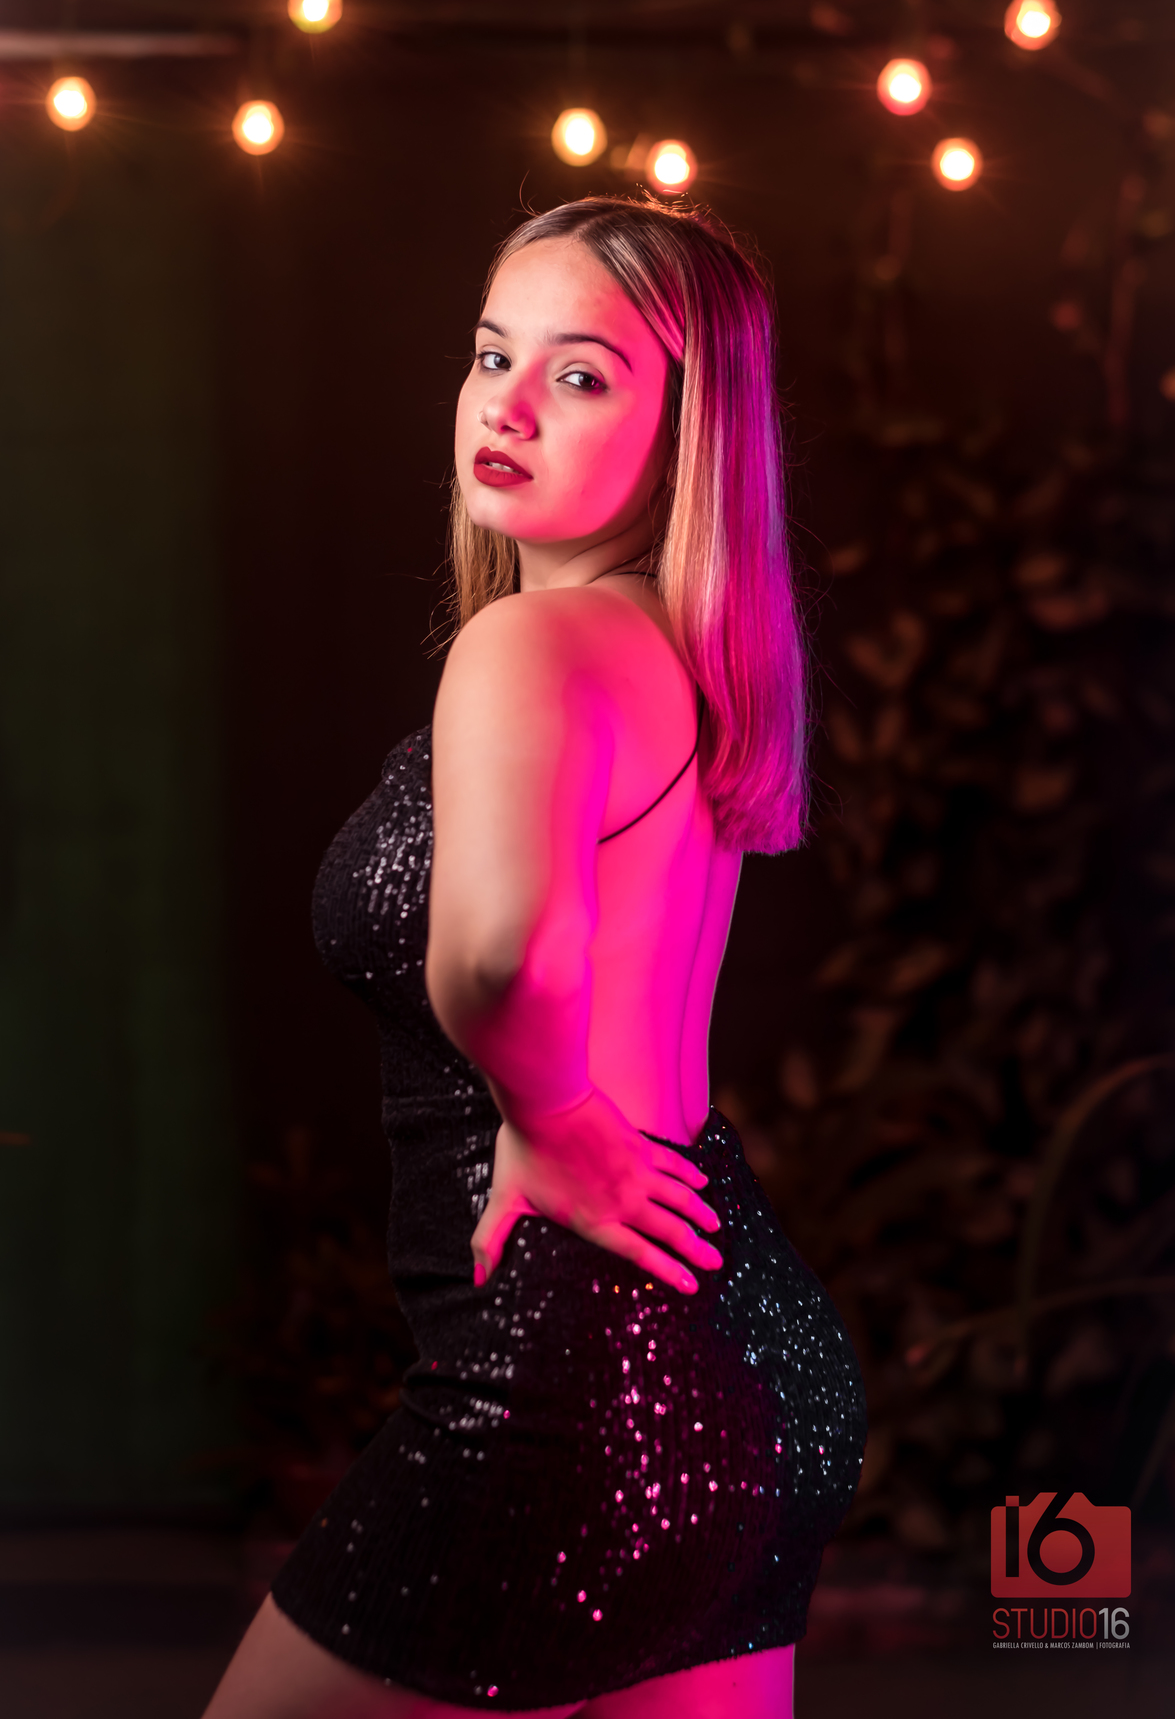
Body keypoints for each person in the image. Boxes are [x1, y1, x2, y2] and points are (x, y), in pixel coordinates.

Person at [206, 195, 865, 1719]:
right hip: (750, 1349)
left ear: (685, 434)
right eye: (492, 354)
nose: (504, 405)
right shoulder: (683, 660)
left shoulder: (528, 647)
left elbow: (502, 959)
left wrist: (548, 1108)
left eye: (579, 375)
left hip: (574, 1377)